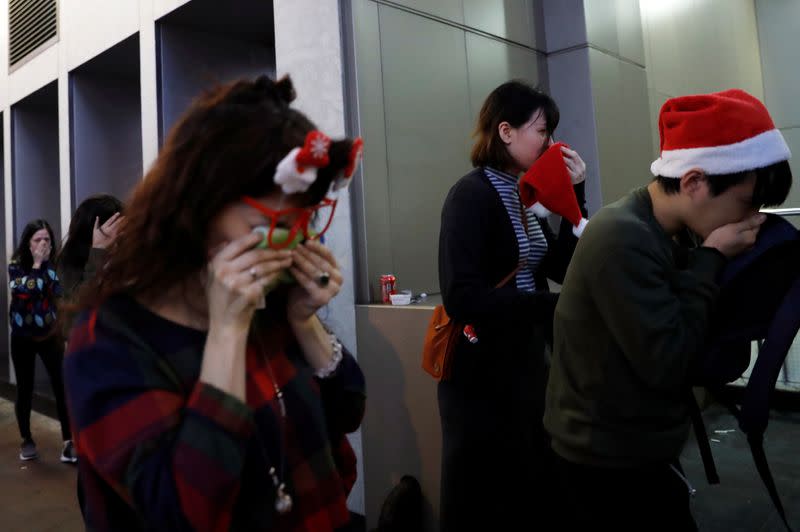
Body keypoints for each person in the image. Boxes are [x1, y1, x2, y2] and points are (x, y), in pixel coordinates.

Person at [63, 75, 366, 531]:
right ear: (200, 205)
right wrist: (226, 332)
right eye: (272, 221)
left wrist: (305, 322)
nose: (291, 242)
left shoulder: (274, 302)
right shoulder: (108, 339)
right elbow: (183, 514)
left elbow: (349, 411)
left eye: (305, 220)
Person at [543, 89, 793, 531]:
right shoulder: (622, 236)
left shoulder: (675, 231)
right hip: (604, 461)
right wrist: (712, 259)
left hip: (642, 446)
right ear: (694, 182)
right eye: (746, 204)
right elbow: (670, 362)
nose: (751, 220)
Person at [437, 80, 588, 531]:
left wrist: (575, 194)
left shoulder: (524, 195)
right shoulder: (471, 194)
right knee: (482, 494)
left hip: (523, 365)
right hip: (481, 375)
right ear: (505, 132)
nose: (551, 142)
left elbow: (563, 269)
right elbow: (460, 294)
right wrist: (546, 306)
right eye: (541, 131)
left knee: (526, 486)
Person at [8, 219, 76, 463]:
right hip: (23, 337)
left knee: (61, 386)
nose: (43, 244)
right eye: (38, 239)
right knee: (24, 388)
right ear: (28, 243)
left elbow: (59, 292)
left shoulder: (53, 267)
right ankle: (27, 439)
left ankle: (69, 442)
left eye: (47, 239)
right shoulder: (16, 266)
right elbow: (25, 291)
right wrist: (37, 264)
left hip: (49, 335)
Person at [58, 194, 124, 336]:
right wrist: (98, 252)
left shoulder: (125, 258)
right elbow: (71, 323)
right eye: (113, 229)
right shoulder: (69, 262)